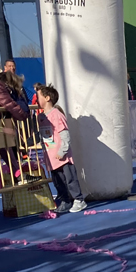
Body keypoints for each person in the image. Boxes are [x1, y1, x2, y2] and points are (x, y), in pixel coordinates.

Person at [36, 84, 86, 213]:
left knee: (70, 179)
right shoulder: (41, 117)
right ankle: (65, 200)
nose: (36, 99)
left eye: (38, 96)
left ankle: (78, 199)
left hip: (62, 157)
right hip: (51, 157)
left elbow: (64, 134)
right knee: (58, 181)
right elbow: (45, 136)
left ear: (47, 98)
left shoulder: (56, 114)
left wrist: (62, 150)